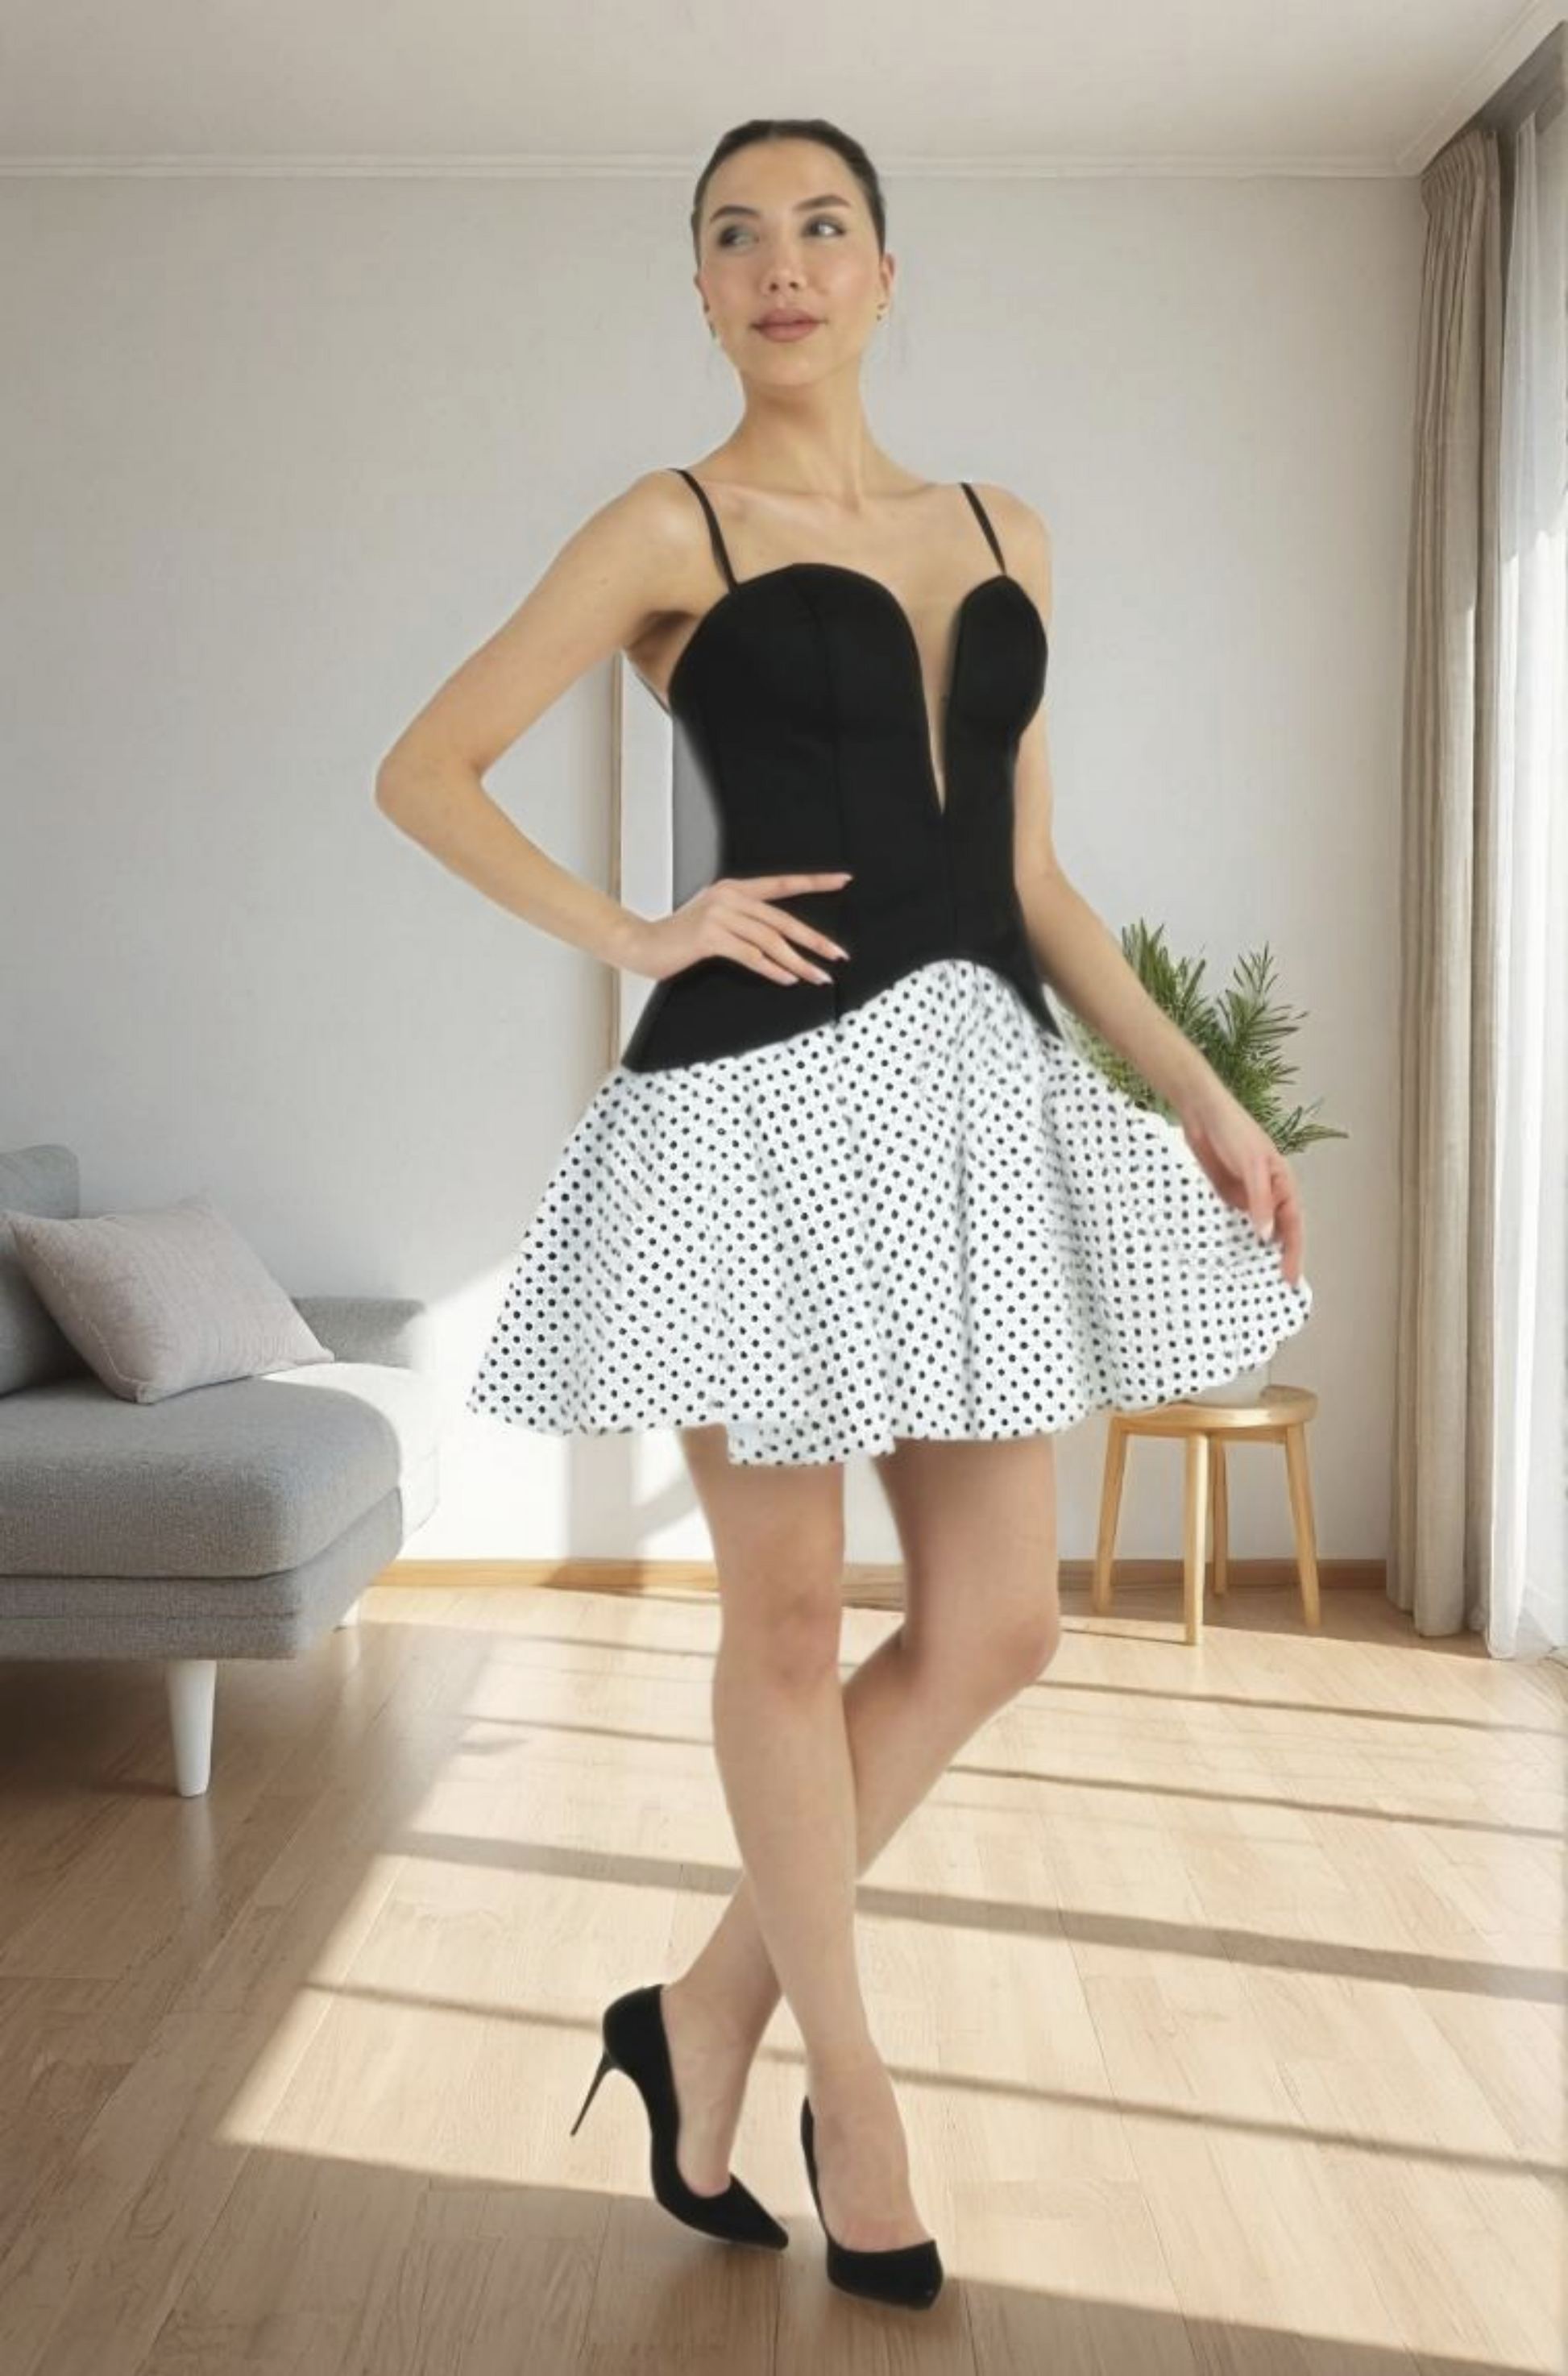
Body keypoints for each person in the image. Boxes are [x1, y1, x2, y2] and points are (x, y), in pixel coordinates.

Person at [375, 114, 1313, 2312]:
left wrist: (1197, 1097)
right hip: (752, 1109)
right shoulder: (666, 522)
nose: (779, 264)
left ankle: (702, 2006)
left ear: (889, 270)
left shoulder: (1009, 530)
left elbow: (1034, 875)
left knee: (999, 1617)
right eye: (734, 236)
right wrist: (639, 925)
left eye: (819, 228)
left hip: (974, 1097)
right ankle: (853, 2088)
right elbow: (427, 767)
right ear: (697, 291)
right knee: (785, 1625)